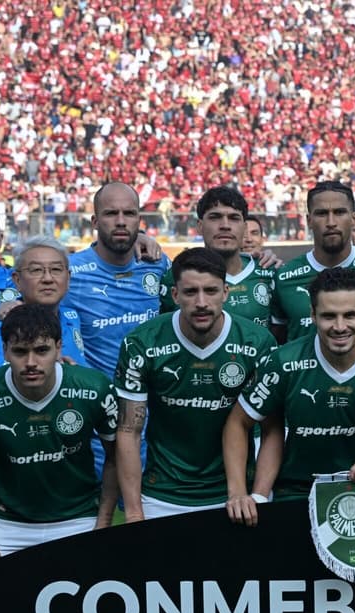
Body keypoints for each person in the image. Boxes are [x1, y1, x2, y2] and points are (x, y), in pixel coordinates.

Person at [223, 268, 355, 526]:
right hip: (296, 492)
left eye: (350, 315)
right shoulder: (282, 362)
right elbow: (238, 423)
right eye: (329, 316)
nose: (340, 327)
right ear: (313, 315)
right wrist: (239, 493)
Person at [0, 304, 118, 569]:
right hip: (7, 524)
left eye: (41, 351)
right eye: (20, 352)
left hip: (78, 518)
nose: (31, 363)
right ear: (5, 350)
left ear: (59, 347)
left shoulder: (94, 387)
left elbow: (116, 455)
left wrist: (103, 523)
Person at [115, 248, 276, 521]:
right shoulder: (142, 343)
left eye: (211, 291)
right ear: (175, 295)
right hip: (163, 494)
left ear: (226, 292)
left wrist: (259, 495)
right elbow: (129, 430)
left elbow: (272, 427)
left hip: (236, 494)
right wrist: (133, 512)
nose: (201, 302)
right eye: (190, 292)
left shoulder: (257, 343)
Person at [65, 182, 171, 379]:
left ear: (139, 221)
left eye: (129, 214)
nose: (121, 221)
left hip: (154, 395)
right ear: (95, 222)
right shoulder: (70, 270)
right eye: (111, 213)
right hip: (100, 399)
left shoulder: (158, 262)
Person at [269, 181, 355, 344]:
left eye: (339, 212)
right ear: (309, 220)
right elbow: (278, 338)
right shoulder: (284, 277)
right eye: (322, 213)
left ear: (353, 218)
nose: (331, 222)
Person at [159, 186, 277, 327]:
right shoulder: (173, 277)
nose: (225, 226)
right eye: (215, 217)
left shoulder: (270, 271)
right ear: (200, 226)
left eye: (234, 218)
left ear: (244, 228)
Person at [0, 237, 86, 369]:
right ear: (17, 280)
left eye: (56, 269)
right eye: (36, 270)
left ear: (68, 278)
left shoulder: (72, 317)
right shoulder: (3, 333)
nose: (47, 278)